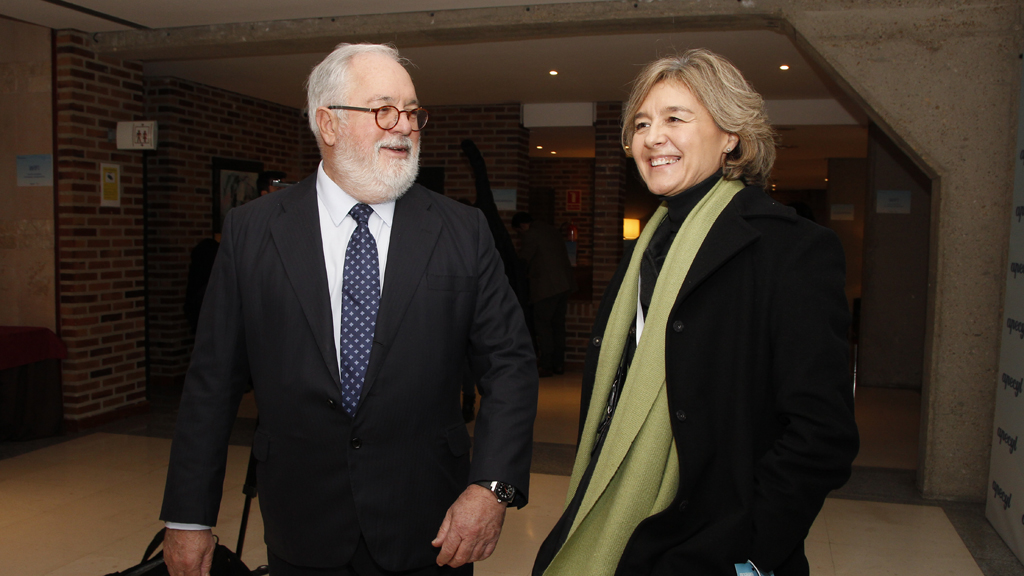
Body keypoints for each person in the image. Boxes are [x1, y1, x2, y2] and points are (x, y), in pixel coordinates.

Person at [160, 43, 538, 576]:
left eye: (412, 112)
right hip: (301, 521)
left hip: (430, 522)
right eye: (384, 109)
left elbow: (511, 365)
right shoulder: (253, 232)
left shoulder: (461, 230)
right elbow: (211, 381)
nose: (404, 126)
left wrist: (491, 487)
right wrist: (188, 516)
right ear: (328, 123)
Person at [533, 49, 859, 576]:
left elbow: (822, 432)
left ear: (731, 134)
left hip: (718, 544)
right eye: (641, 123)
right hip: (622, 521)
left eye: (675, 119)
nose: (652, 137)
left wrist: (753, 555)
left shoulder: (789, 249)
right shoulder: (650, 244)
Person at [512, 212, 575, 377]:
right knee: (558, 325)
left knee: (543, 326)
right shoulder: (551, 230)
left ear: (522, 226)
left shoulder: (531, 234)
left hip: (546, 288)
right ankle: (559, 364)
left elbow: (523, 259)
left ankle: (546, 365)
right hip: (564, 284)